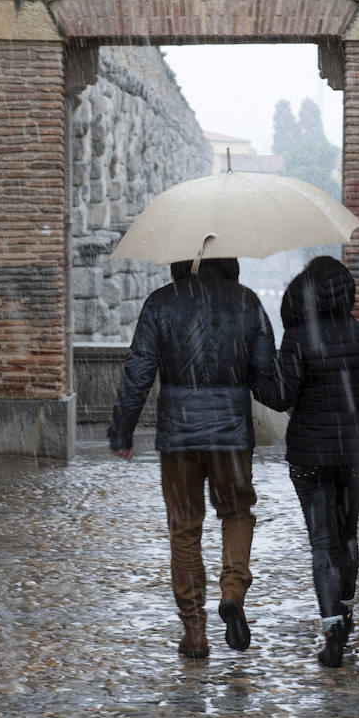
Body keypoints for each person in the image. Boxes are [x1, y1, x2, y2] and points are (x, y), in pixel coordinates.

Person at [108, 257, 277, 660]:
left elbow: (139, 370)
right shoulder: (247, 302)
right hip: (231, 436)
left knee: (185, 528)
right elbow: (267, 374)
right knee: (236, 512)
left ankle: (195, 632)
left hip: (179, 434)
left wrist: (122, 429)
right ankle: (233, 591)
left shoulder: (161, 303)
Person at [267, 255, 359, 668]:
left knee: (322, 540)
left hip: (309, 454)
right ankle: (344, 606)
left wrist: (258, 375)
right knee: (347, 533)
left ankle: (332, 626)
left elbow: (281, 397)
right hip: (355, 455)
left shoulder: (298, 339)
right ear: (348, 295)